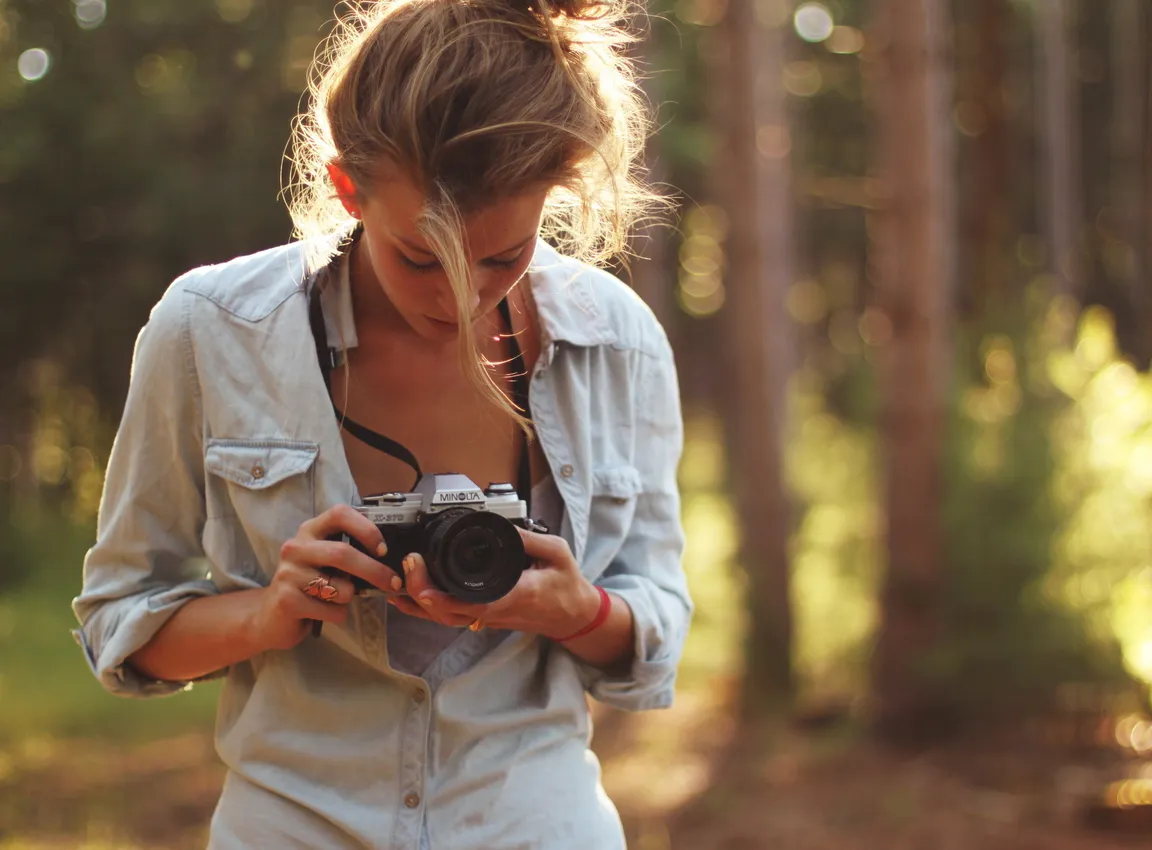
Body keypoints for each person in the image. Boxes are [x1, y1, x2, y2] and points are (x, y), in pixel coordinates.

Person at [70, 0, 691, 846]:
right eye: (420, 257)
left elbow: (654, 633)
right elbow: (120, 622)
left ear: (555, 193)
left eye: (502, 258)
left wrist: (573, 612)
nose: (461, 299)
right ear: (346, 188)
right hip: (293, 822)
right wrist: (270, 613)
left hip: (537, 821)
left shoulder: (617, 343)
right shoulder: (211, 331)